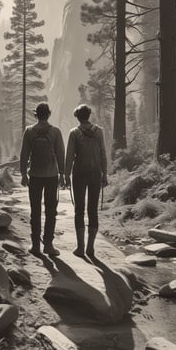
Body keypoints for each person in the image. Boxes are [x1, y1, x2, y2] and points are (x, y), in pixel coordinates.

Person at [20, 102, 65, 256]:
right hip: (51, 176)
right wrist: (63, 175)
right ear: (49, 114)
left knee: (35, 211)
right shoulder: (55, 132)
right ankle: (48, 245)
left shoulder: (29, 131)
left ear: (36, 115)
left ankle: (35, 246)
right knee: (51, 211)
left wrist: (23, 174)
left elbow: (24, 154)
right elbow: (60, 154)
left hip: (34, 176)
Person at [65, 104, 108, 257]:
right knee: (93, 211)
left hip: (79, 174)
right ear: (89, 115)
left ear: (77, 116)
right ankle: (91, 248)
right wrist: (105, 174)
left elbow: (69, 156)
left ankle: (80, 248)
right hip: (96, 173)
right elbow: (103, 153)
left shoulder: (74, 133)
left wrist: (66, 176)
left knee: (79, 210)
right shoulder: (99, 132)